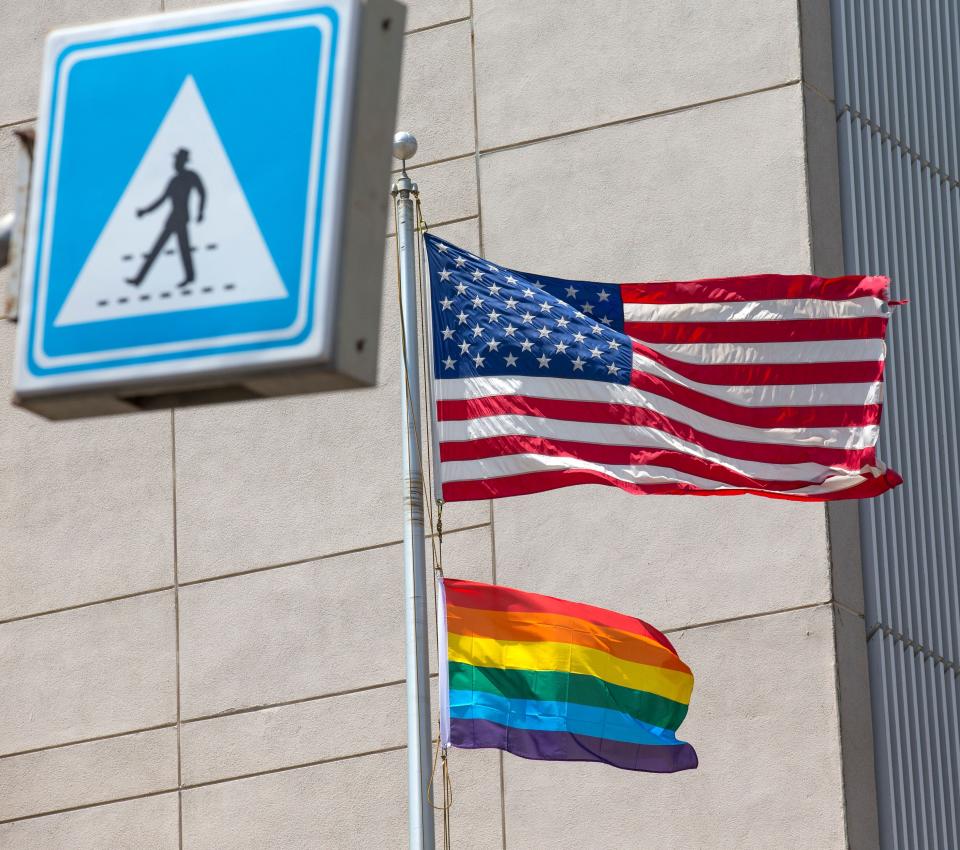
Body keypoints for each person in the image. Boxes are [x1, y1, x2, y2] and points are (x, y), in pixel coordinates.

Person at [126, 147, 206, 288]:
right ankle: (139, 280)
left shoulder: (191, 176)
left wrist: (200, 212)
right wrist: (145, 211)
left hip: (181, 219)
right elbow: (162, 200)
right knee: (173, 249)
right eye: (174, 160)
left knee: (176, 249)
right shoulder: (173, 181)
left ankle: (140, 279)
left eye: (177, 160)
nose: (174, 163)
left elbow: (202, 192)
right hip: (173, 219)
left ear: (183, 161)